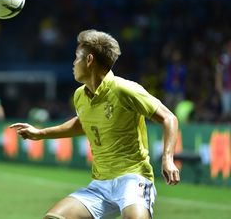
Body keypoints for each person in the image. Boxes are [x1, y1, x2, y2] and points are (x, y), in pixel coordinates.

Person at [10, 30, 180, 219]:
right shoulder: (79, 96)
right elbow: (83, 123)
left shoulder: (124, 89)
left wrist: (167, 159)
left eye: (76, 58)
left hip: (133, 179)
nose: (74, 64)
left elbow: (169, 118)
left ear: (89, 60)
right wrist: (41, 134)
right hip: (100, 185)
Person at [215, 40, 231, 121]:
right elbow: (219, 71)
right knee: (226, 110)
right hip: (226, 87)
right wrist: (218, 84)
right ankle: (225, 129)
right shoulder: (224, 58)